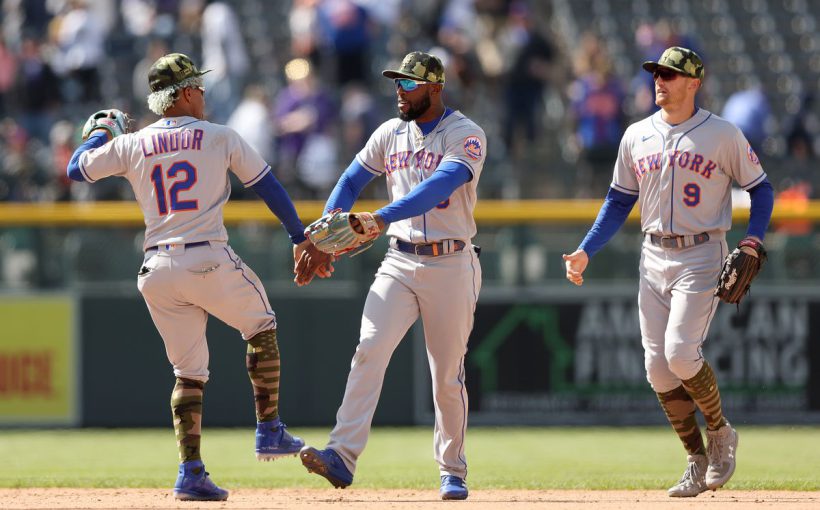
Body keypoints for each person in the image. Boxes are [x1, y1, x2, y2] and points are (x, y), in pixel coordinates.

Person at [65, 53, 331, 501]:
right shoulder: (219, 136)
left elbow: (76, 169)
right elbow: (267, 185)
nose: (204, 94)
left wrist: (97, 134)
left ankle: (190, 472)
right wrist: (299, 237)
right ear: (185, 92)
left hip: (156, 270)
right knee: (261, 323)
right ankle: (269, 429)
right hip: (206, 256)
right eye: (199, 88)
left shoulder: (134, 144)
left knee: (188, 373)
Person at [562, 47, 774, 498]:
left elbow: (762, 188)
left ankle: (720, 434)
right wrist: (586, 250)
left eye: (671, 74)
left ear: (694, 82)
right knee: (657, 370)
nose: (660, 80)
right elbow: (619, 201)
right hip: (652, 255)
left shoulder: (722, 134)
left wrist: (753, 238)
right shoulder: (636, 135)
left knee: (680, 354)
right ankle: (696, 459)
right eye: (657, 73)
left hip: (701, 253)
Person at [297, 51, 485, 501]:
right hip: (398, 260)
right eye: (397, 83)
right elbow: (348, 181)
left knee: (446, 374)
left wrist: (379, 217)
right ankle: (341, 455)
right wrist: (326, 235)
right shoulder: (389, 133)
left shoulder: (466, 134)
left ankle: (452, 470)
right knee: (369, 350)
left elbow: (437, 187)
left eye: (409, 83)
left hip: (451, 262)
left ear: (435, 88)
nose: (399, 91)